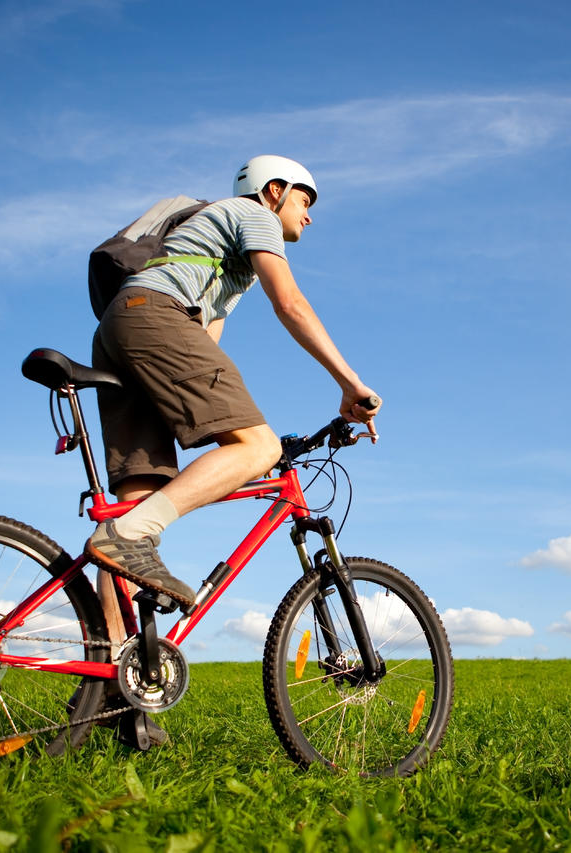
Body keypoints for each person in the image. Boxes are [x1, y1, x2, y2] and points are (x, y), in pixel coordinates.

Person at [87, 155, 380, 622]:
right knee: (256, 447)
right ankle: (128, 537)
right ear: (273, 191)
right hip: (154, 316)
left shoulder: (217, 257)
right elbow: (290, 304)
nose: (309, 215)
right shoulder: (254, 215)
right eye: (304, 200)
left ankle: (112, 671)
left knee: (134, 506)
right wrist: (350, 384)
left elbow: (204, 351)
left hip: (120, 326)